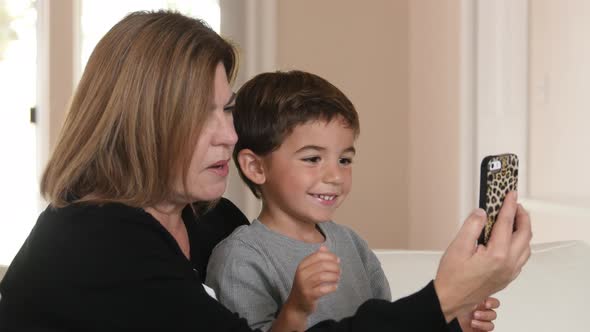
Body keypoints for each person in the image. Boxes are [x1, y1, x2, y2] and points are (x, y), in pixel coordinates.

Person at [0, 10, 532, 331]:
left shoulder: (213, 220)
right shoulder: (96, 242)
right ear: (142, 121)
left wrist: (445, 315)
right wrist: (444, 296)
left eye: (227, 109)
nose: (229, 136)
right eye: (199, 115)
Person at [206, 70, 500, 332]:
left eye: (345, 159)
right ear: (256, 167)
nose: (335, 175)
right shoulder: (240, 258)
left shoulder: (352, 244)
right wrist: (295, 310)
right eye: (312, 158)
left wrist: (452, 324)